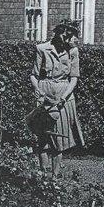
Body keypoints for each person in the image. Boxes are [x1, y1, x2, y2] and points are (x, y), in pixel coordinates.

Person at [29, 19, 84, 178]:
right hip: (45, 94)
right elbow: (33, 75)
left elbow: (74, 78)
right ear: (58, 32)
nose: (68, 40)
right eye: (65, 36)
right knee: (43, 137)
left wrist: (64, 97)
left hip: (63, 95)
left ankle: (54, 178)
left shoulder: (73, 52)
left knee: (59, 140)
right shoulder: (42, 49)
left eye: (71, 37)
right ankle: (43, 175)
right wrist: (37, 89)